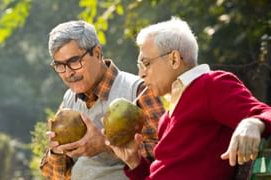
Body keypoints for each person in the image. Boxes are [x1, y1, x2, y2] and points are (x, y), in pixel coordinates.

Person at [106, 17, 271, 180]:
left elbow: (266, 112)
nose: (141, 74)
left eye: (146, 64)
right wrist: (134, 162)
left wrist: (252, 123)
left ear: (174, 59)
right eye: (139, 66)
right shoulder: (167, 118)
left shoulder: (211, 85)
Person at [39, 20, 165, 180]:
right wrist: (57, 150)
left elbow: (167, 154)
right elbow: (54, 175)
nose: (67, 73)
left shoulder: (137, 90)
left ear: (97, 53)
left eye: (74, 62)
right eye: (59, 65)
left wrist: (105, 145)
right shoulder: (69, 100)